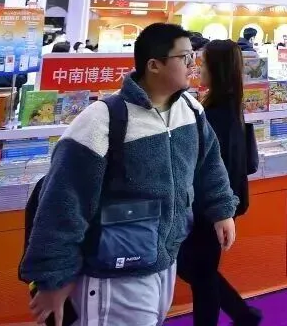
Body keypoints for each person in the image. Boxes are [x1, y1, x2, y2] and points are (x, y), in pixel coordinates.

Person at [20, 23, 239, 326]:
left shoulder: (190, 110)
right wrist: (54, 276)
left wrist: (222, 210)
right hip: (114, 270)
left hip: (164, 259)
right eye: (185, 57)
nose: (194, 64)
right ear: (154, 65)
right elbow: (63, 201)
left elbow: (209, 163)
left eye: (194, 56)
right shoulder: (101, 119)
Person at [180, 40, 262, 326]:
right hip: (218, 203)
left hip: (210, 205)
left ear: (216, 68)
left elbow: (211, 165)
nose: (197, 68)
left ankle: (243, 314)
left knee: (199, 272)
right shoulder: (227, 105)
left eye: (203, 63)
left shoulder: (215, 113)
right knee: (200, 271)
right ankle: (243, 314)